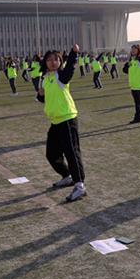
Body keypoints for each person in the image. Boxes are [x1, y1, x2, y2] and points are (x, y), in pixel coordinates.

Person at [37, 45, 87, 202]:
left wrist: (73, 54)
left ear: (60, 62)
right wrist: (40, 94)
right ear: (45, 62)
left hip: (67, 119)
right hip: (55, 121)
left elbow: (69, 71)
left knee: (72, 152)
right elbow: (44, 99)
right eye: (49, 60)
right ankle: (67, 176)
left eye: (56, 59)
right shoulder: (45, 78)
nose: (53, 62)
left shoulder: (60, 76)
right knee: (52, 154)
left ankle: (80, 185)